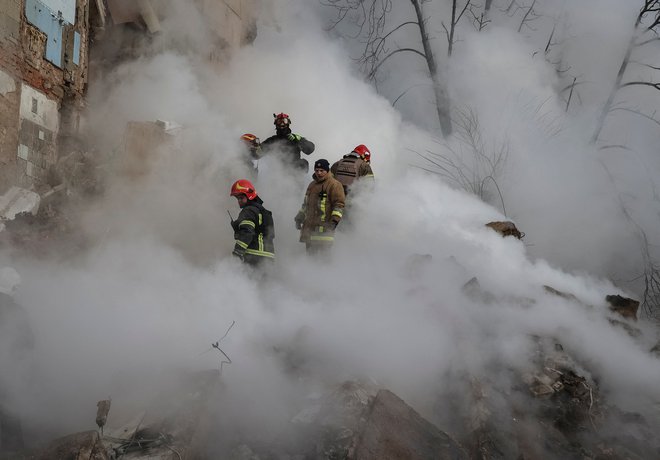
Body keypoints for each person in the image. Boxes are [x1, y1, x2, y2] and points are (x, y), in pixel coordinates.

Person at [294, 159, 345, 254]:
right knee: (311, 261)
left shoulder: (334, 185)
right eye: (316, 170)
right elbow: (306, 204)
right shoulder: (312, 185)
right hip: (310, 231)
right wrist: (299, 217)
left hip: (325, 231)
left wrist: (334, 221)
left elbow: (339, 204)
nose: (319, 173)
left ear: (327, 170)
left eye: (322, 170)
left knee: (323, 262)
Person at [229, 179, 275, 266]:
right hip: (269, 258)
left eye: (241, 198)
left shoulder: (248, 211)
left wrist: (238, 252)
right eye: (237, 198)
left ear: (249, 195)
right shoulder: (263, 212)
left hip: (254, 257)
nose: (239, 201)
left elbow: (247, 233)